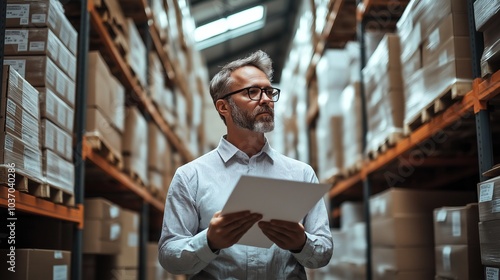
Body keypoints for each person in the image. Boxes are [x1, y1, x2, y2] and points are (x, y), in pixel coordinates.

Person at [158, 50, 333, 279]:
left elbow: (324, 252)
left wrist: (301, 243)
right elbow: (169, 257)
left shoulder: (300, 173)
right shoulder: (191, 176)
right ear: (223, 107)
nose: (266, 99)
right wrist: (209, 241)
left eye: (270, 92)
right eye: (252, 92)